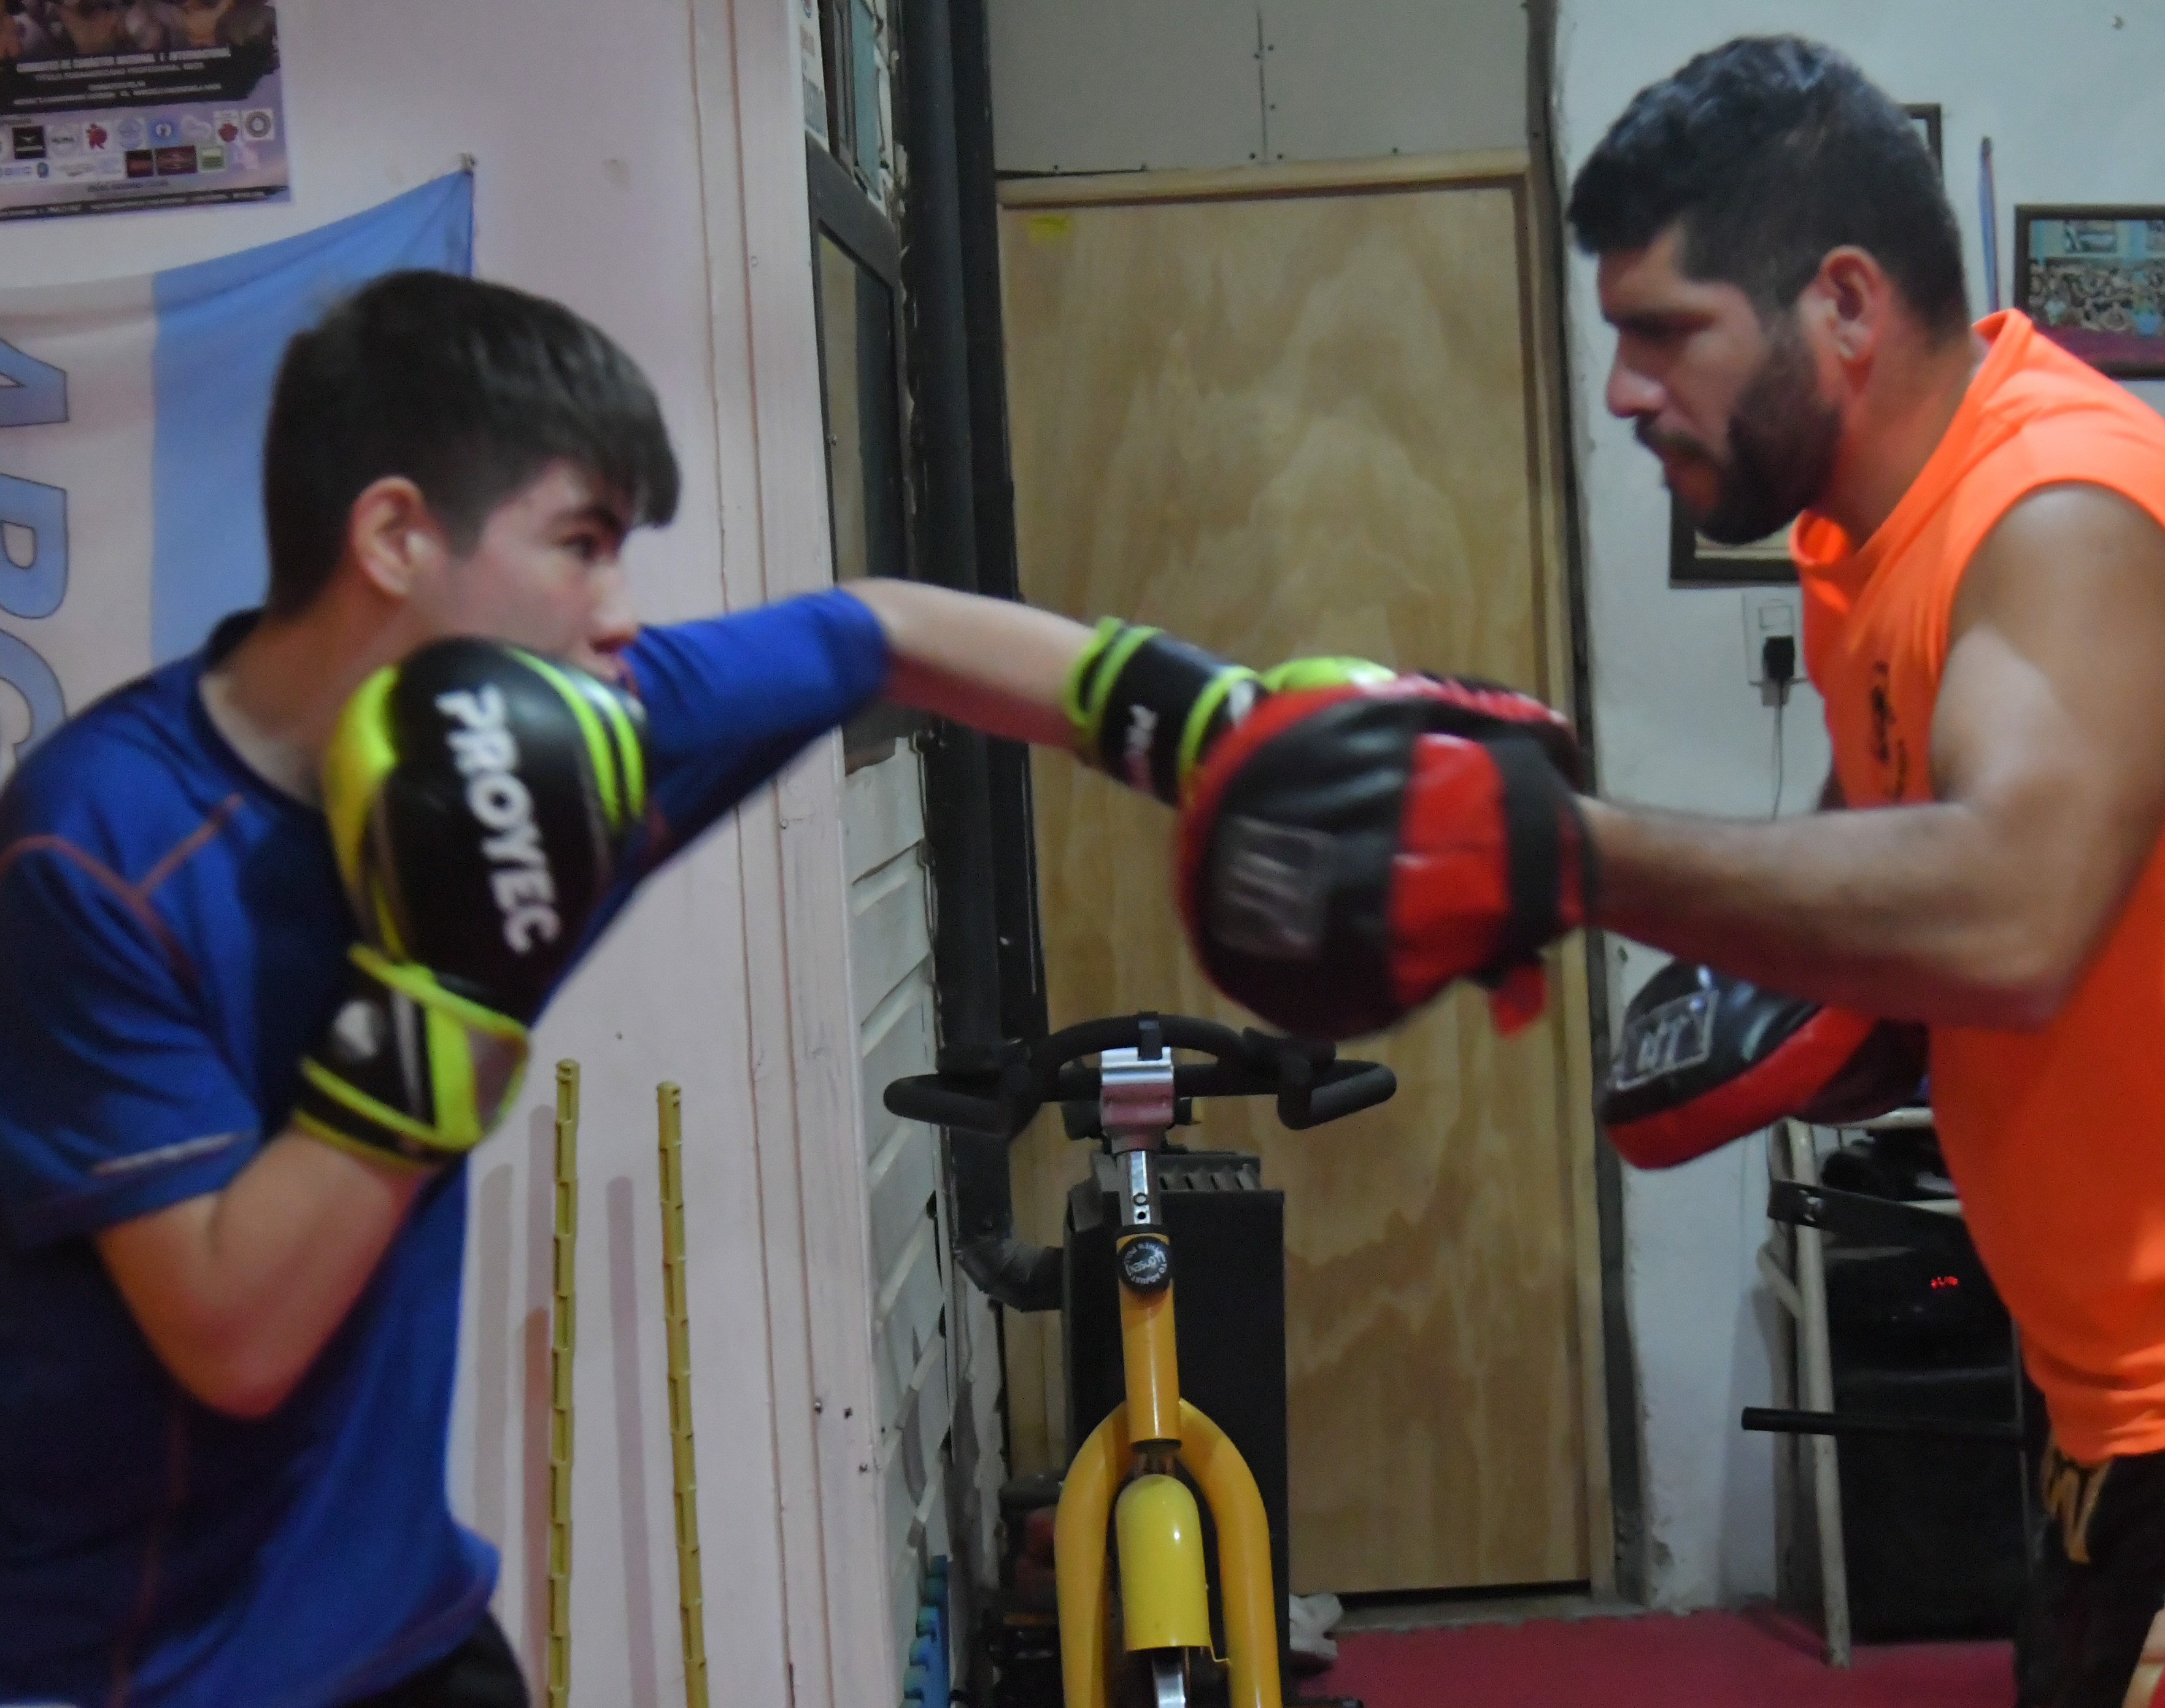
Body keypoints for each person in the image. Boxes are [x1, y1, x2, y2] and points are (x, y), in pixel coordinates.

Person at [0, 269, 1388, 1707]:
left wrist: (1230, 732)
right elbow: (236, 1339)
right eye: (580, 546)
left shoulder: (568, 735)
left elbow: (878, 634)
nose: (620, 618)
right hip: (138, 1667)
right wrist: (450, 974)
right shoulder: (97, 856)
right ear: (398, 536)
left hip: (400, 1628)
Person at [1172, 35, 2165, 1708]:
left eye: (1666, 332)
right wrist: (1824, 1009)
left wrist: (1550, 850)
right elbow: (1913, 909)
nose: (1625, 386)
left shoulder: (2056, 511)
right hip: (2099, 1406)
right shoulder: (1868, 540)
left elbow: (2012, 917)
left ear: (1843, 305)